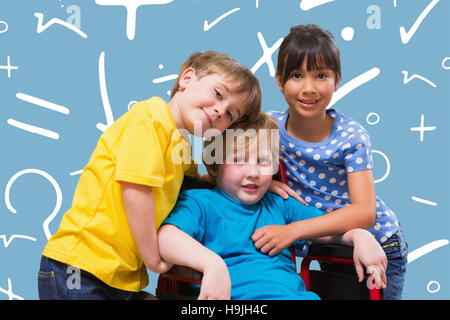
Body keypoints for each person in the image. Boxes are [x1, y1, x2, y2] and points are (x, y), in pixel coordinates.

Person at [37, 51, 262, 299]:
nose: (221, 110)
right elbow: (136, 190)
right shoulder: (151, 118)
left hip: (118, 276)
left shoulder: (182, 143)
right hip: (80, 265)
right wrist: (153, 256)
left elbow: (195, 185)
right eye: (218, 94)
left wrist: (253, 180)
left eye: (230, 114)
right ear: (187, 79)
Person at [158, 112, 387, 300]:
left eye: (263, 161)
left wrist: (359, 237)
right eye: (239, 160)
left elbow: (328, 231)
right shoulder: (200, 203)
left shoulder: (281, 204)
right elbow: (166, 238)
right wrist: (211, 264)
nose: (253, 173)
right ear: (213, 166)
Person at [270, 24, 407, 300]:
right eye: (297, 75)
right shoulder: (268, 127)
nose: (308, 88)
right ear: (279, 80)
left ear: (337, 80)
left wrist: (293, 231)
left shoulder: (351, 137)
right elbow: (228, 159)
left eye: (321, 75)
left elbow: (363, 213)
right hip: (330, 243)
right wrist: (269, 185)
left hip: (378, 244)